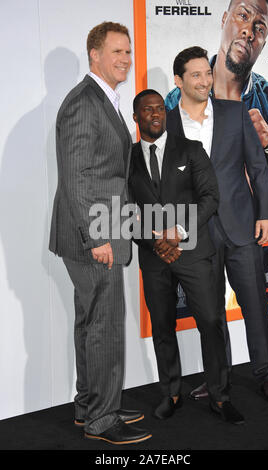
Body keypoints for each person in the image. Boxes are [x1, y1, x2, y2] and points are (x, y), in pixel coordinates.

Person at [49, 22, 151, 445]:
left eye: (128, 51)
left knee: (91, 322)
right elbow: (78, 177)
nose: (126, 59)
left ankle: (90, 404)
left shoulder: (102, 99)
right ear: (94, 55)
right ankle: (102, 419)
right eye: (117, 52)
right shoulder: (82, 103)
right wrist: (98, 238)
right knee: (104, 324)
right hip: (95, 235)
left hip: (98, 230)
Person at [166, 45, 268, 403]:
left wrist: (266, 213)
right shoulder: (169, 124)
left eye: (208, 73)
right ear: (179, 81)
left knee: (254, 305)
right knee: (209, 311)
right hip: (196, 231)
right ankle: (217, 378)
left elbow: (258, 166)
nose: (205, 81)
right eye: (196, 75)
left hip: (241, 224)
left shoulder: (236, 114)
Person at [129, 88, 245, 425]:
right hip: (154, 258)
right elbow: (123, 210)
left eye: (159, 109)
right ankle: (172, 393)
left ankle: (220, 397)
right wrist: (155, 241)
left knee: (211, 322)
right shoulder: (129, 157)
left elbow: (211, 197)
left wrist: (178, 232)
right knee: (163, 327)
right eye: (147, 110)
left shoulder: (191, 150)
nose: (155, 114)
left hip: (194, 252)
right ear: (136, 118)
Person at [165, 0, 268, 230]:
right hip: (200, 234)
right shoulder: (175, 101)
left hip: (256, 237)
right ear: (223, 19)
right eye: (243, 16)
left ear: (264, 42)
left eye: (260, 28)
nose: (248, 31)